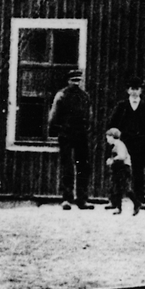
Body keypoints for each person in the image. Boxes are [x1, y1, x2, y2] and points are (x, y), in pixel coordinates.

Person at [107, 77, 145, 213]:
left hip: (140, 146)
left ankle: (140, 200)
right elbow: (113, 125)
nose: (134, 92)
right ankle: (115, 201)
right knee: (118, 173)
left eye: (137, 89)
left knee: (139, 173)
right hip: (123, 145)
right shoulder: (121, 106)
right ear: (128, 91)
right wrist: (117, 142)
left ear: (141, 91)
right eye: (132, 89)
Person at [47, 69, 93, 210]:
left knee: (82, 166)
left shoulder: (85, 96)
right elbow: (53, 116)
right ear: (68, 81)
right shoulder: (61, 95)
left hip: (81, 135)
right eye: (73, 80)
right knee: (67, 166)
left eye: (78, 80)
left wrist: (87, 128)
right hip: (66, 134)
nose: (76, 83)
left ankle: (82, 199)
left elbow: (89, 115)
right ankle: (66, 198)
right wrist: (55, 130)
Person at [103, 127, 135, 215]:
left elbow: (122, 156)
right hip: (118, 168)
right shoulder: (115, 145)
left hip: (123, 168)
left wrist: (112, 160)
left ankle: (136, 203)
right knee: (117, 188)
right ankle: (118, 207)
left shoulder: (119, 145)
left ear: (112, 137)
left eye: (108, 137)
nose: (107, 140)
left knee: (125, 187)